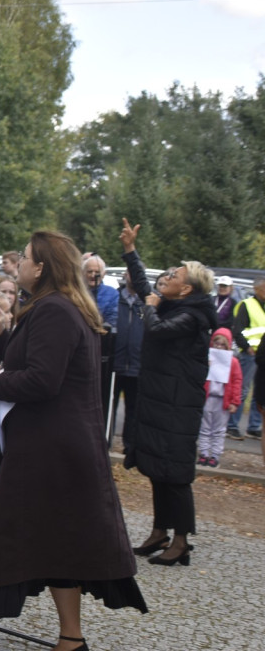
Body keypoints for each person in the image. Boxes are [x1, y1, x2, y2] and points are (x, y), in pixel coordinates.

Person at [0, 230, 146, 651]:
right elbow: (42, 362)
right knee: (60, 542)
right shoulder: (61, 306)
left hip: (48, 448)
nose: (17, 264)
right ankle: (71, 640)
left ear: (41, 267)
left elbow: (43, 379)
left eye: (25, 258)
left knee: (9, 536)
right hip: (60, 445)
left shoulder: (54, 309)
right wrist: (2, 339)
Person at [120, 217, 217, 569]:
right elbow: (147, 286)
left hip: (178, 405)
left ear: (187, 289)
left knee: (175, 473)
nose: (166, 280)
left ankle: (181, 541)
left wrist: (150, 305)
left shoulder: (193, 316)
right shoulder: (178, 303)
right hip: (162, 399)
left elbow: (157, 328)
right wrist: (130, 250)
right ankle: (160, 531)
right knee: (157, 468)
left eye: (173, 277)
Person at [198, 328, 242, 468]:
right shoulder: (207, 358)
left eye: (222, 344)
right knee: (204, 428)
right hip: (207, 398)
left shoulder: (233, 362)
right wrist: (206, 366)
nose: (218, 347)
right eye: (216, 343)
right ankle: (204, 453)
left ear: (227, 345)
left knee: (218, 430)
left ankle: (215, 455)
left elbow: (237, 381)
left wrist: (234, 401)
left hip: (223, 401)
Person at [228, 277, 265, 439]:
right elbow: (238, 330)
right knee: (242, 390)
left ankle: (254, 426)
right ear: (257, 289)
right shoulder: (247, 305)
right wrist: (247, 347)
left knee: (260, 392)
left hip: (262, 356)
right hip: (250, 354)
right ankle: (232, 425)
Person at [112, 271, 144, 453]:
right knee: (109, 405)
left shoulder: (146, 302)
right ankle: (106, 439)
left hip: (136, 365)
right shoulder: (115, 297)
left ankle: (129, 446)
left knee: (133, 408)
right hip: (116, 363)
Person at [81, 255, 118, 328]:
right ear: (83, 273)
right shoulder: (76, 292)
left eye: (97, 272)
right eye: (89, 271)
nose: (93, 275)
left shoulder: (112, 294)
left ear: (104, 274)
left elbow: (113, 320)